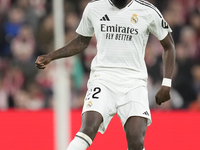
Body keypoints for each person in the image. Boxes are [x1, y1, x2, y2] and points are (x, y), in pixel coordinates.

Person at [35, 0, 176, 149]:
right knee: (87, 129)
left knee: (136, 140)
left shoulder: (147, 11)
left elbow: (169, 46)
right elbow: (81, 42)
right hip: (102, 79)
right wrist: (51, 56)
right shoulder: (94, 8)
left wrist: (166, 83)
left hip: (134, 83)